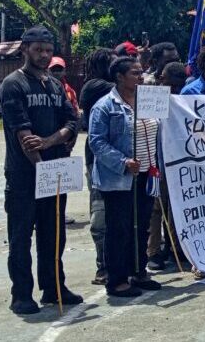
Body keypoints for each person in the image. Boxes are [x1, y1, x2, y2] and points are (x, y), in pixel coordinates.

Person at [1, 26, 82, 315]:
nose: (44, 55)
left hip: (56, 171)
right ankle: (21, 294)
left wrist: (50, 140)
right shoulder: (13, 84)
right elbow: (23, 135)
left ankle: (54, 287)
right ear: (24, 50)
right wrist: (41, 164)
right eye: (38, 50)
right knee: (21, 238)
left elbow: (72, 122)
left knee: (54, 234)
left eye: (48, 50)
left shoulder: (55, 84)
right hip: (24, 176)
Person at [89, 57, 162, 298]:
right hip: (119, 177)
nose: (140, 77)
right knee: (118, 227)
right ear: (119, 77)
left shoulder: (149, 99)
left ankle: (138, 271)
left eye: (141, 72)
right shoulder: (105, 106)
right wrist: (123, 162)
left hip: (147, 174)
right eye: (134, 73)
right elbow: (96, 141)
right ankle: (117, 279)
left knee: (141, 225)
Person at [147, 62, 189, 272]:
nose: (161, 81)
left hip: (180, 162)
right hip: (157, 162)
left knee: (176, 208)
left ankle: (177, 249)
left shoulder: (185, 100)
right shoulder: (152, 97)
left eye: (168, 81)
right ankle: (153, 252)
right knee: (157, 209)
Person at [79, 48, 115, 286]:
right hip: (99, 159)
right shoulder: (95, 86)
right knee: (101, 213)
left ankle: (119, 263)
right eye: (113, 63)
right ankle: (103, 266)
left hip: (122, 155)